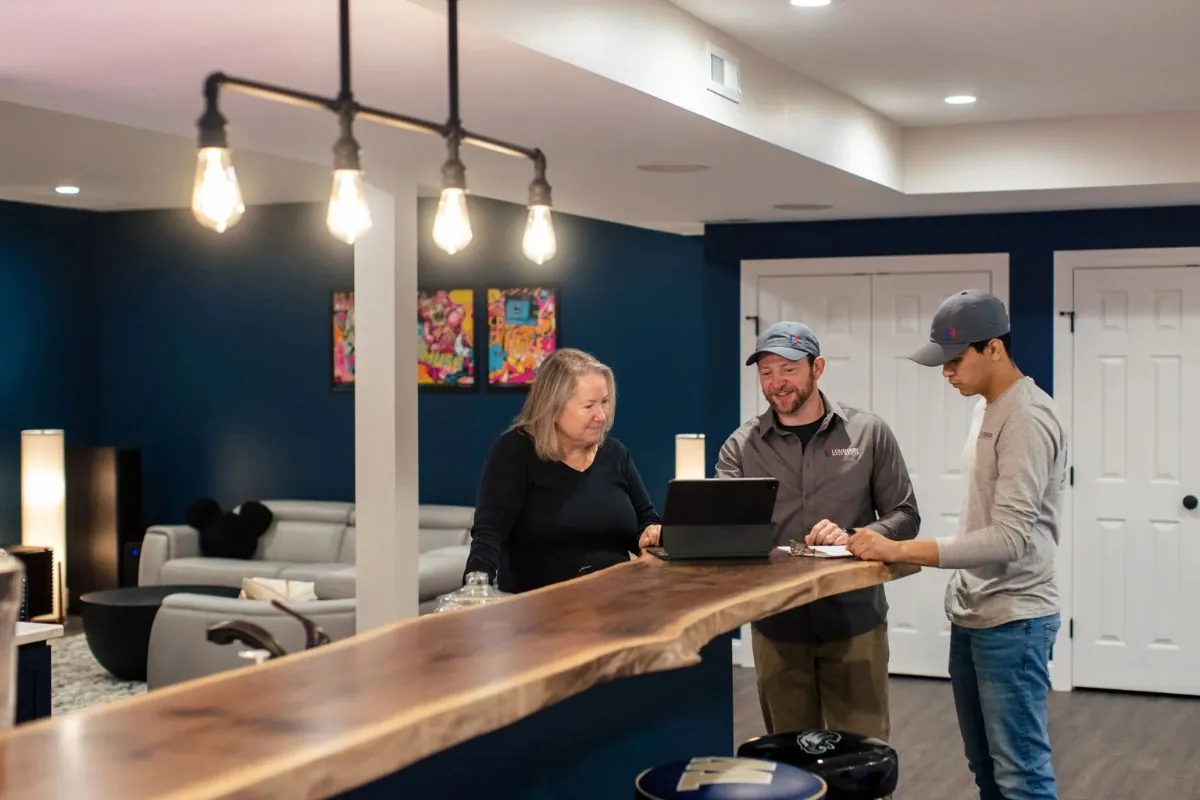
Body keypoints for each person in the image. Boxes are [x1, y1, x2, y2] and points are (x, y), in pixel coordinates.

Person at [847, 290, 1066, 800]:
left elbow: (1009, 538)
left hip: (1015, 621)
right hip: (975, 614)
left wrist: (900, 550)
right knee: (986, 767)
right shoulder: (987, 409)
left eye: (954, 359)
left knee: (1021, 776)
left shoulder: (1027, 419)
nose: (946, 372)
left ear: (994, 349)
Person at [716, 321, 920, 743]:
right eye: (766, 372)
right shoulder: (741, 447)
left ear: (817, 367)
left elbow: (905, 515)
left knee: (861, 761)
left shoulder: (868, 433)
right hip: (777, 627)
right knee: (792, 763)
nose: (777, 383)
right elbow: (719, 531)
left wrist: (856, 536)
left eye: (788, 369)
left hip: (855, 624)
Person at [463, 347, 662, 593]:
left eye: (605, 402)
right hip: (540, 610)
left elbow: (646, 520)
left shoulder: (615, 454)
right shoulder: (515, 451)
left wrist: (650, 533)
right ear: (554, 409)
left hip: (618, 602)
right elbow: (489, 532)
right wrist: (475, 588)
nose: (601, 415)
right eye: (589, 406)